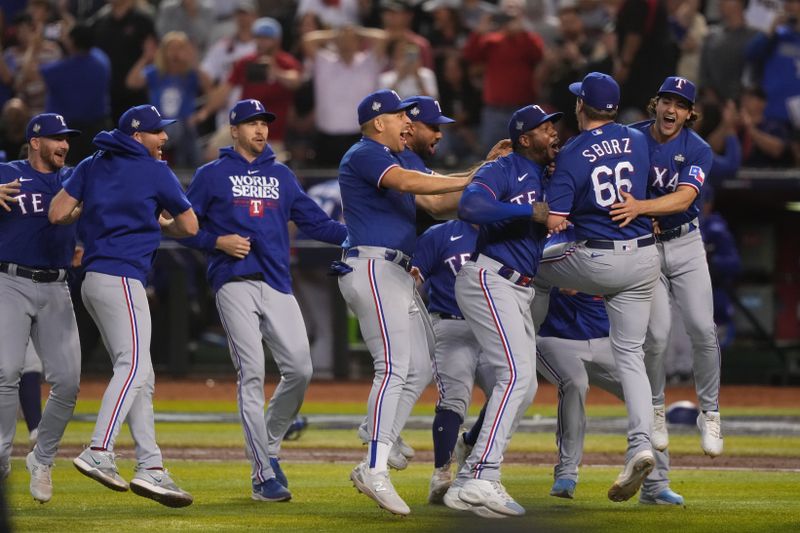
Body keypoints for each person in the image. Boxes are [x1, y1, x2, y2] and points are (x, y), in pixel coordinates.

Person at [179, 99, 347, 502]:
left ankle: (268, 448)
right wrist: (216, 241)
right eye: (251, 123)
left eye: (264, 123)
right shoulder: (211, 174)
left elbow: (316, 222)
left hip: (276, 281)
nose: (260, 130)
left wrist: (356, 237)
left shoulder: (282, 176)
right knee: (251, 372)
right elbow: (184, 227)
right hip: (232, 280)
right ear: (233, 130)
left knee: (301, 369)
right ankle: (261, 474)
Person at [48, 104, 198, 508]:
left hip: (92, 281)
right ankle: (99, 450)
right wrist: (164, 223)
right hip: (122, 278)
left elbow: (58, 212)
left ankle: (151, 467)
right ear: (137, 137)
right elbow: (191, 226)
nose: (164, 138)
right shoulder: (155, 171)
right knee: (132, 367)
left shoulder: (93, 163)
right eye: (156, 132)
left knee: (141, 376)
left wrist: (91, 210)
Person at [336, 89, 471, 516]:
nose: (407, 124)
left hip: (394, 269)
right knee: (393, 365)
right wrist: (477, 175)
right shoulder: (365, 152)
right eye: (399, 118)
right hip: (373, 266)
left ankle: (381, 434)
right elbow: (407, 183)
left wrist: (483, 172)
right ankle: (374, 467)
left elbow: (433, 199)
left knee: (419, 363)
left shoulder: (396, 155)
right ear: (379, 123)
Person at [536, 71, 661, 502]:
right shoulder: (639, 139)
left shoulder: (573, 151)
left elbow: (556, 218)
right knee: (631, 357)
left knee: (528, 267)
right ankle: (641, 445)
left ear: (581, 106)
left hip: (598, 258)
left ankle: (520, 346)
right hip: (645, 256)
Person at [443, 104, 557, 518]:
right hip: (489, 277)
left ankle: (465, 480)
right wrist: (527, 211)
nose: (553, 134)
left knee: (525, 386)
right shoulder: (504, 167)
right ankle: (484, 474)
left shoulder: (549, 175)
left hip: (518, 288)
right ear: (525, 138)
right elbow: (470, 207)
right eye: (545, 129)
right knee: (517, 375)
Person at [609, 76, 723, 457]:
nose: (671, 109)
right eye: (666, 101)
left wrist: (641, 208)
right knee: (655, 336)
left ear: (690, 113)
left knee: (703, 328)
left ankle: (709, 412)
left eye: (680, 104)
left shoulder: (698, 148)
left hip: (686, 242)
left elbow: (684, 198)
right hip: (645, 247)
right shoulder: (631, 137)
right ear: (655, 104)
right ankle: (656, 407)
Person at [534, 229, 684, 505]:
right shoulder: (556, 240)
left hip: (607, 342)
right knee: (575, 383)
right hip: (555, 338)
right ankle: (566, 473)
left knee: (647, 398)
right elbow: (546, 269)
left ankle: (656, 485)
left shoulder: (619, 244)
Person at [0, 113, 82, 504]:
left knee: (68, 381)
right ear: (35, 142)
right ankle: (1, 460)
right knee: (6, 371)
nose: (63, 144)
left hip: (57, 285)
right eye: (55, 138)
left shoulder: (73, 179)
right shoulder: (7, 170)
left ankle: (42, 458)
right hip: (8, 281)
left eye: (66, 138)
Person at [412, 219, 494, 505]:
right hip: (450, 324)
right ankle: (442, 471)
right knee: (455, 398)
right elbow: (412, 278)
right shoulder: (440, 234)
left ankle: (469, 443)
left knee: (510, 393)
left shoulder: (505, 233)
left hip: (493, 328)